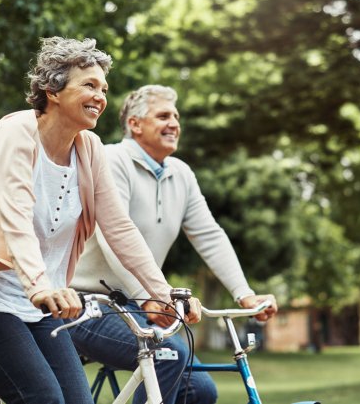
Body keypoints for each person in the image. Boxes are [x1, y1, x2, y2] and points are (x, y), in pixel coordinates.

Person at [0, 39, 200, 404]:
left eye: (103, 88)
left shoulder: (90, 148)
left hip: (41, 307)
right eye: (89, 85)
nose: (100, 96)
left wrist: (162, 295)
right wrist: (40, 286)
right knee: (43, 397)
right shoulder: (17, 131)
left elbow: (119, 229)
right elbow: (15, 216)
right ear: (52, 89)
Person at [70, 84, 278, 404]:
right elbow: (114, 237)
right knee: (166, 354)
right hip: (85, 303)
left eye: (177, 116)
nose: (174, 123)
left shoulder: (181, 173)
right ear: (135, 124)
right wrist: (149, 297)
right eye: (164, 115)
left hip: (139, 304)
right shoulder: (111, 160)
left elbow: (209, 235)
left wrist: (245, 295)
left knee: (201, 390)